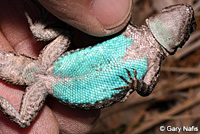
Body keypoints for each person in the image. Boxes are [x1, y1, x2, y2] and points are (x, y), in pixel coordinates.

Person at [0, 0, 132, 133]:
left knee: (25, 121)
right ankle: (39, 30)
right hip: (42, 71)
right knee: (25, 121)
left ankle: (39, 30)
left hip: (42, 79)